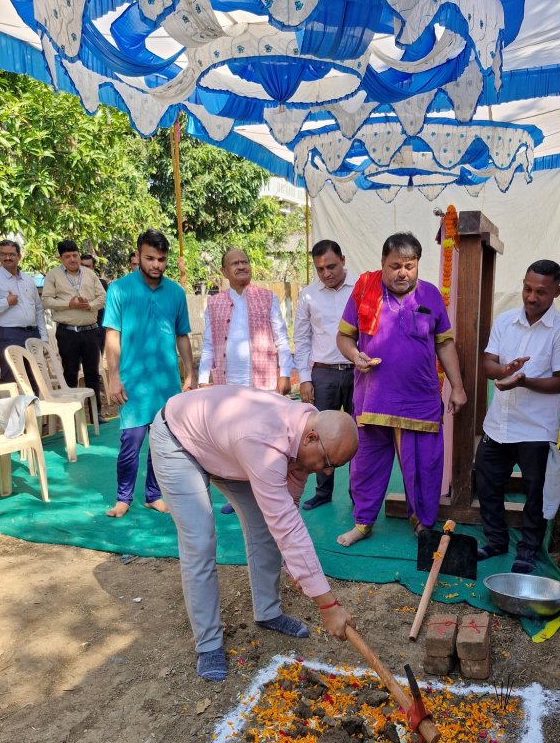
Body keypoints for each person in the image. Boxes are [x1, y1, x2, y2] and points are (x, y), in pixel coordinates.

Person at [149, 386, 358, 682]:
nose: (325, 473)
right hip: (178, 440)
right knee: (200, 539)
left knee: (265, 526)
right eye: (328, 463)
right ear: (312, 438)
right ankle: (208, 644)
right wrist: (328, 604)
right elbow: (286, 524)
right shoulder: (265, 443)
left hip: (225, 447)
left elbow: (289, 508)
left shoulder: (302, 434)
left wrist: (297, 568)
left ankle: (268, 612)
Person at [335, 232, 467, 546]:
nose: (402, 272)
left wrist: (458, 387)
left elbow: (445, 343)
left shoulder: (431, 296)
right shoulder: (364, 291)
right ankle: (363, 522)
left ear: (418, 265)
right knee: (366, 464)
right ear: (382, 263)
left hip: (418, 401)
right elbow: (343, 338)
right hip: (373, 398)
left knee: (424, 466)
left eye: (409, 265)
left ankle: (423, 523)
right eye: (395, 265)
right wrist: (356, 356)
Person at [474, 259, 560, 575]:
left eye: (541, 292)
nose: (531, 297)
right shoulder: (504, 322)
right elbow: (488, 362)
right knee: (487, 483)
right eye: (528, 288)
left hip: (535, 429)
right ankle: (496, 540)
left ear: (556, 291)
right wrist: (504, 370)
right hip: (498, 424)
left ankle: (528, 549)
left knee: (535, 493)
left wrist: (524, 380)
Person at [103, 229, 194, 518]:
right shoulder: (119, 289)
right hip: (133, 382)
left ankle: (153, 495)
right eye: (150, 258)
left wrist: (189, 374)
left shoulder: (176, 293)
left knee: (162, 442)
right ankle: (123, 498)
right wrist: (113, 377)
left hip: (166, 383)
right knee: (131, 442)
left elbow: (182, 336)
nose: (156, 264)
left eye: (162, 259)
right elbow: (112, 336)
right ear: (138, 256)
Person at [294, 239, 356, 511]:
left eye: (331, 266)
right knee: (319, 435)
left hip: (358, 373)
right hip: (323, 374)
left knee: (361, 434)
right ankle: (322, 492)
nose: (326, 273)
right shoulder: (308, 295)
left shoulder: (360, 289)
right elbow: (302, 338)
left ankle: (360, 494)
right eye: (320, 269)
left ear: (343, 259)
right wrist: (305, 378)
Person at [198, 248, 293, 394]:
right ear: (224, 272)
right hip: (226, 386)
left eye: (245, 262)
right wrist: (203, 379)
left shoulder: (268, 298)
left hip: (264, 385)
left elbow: (281, 339)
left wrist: (285, 374)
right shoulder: (214, 303)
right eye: (235, 263)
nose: (241, 266)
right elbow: (208, 345)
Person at [42, 240, 107, 421]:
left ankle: (96, 415)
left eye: (75, 255)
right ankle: (72, 417)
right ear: (61, 258)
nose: (72, 259)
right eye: (67, 256)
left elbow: (102, 297)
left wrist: (89, 305)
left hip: (91, 331)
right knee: (70, 373)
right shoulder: (53, 275)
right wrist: (68, 304)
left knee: (92, 374)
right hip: (67, 332)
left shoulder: (89, 274)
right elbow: (46, 300)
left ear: (79, 255)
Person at [0, 240, 48, 385]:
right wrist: (6, 302)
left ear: (19, 256)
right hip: (9, 335)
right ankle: (9, 408)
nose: (7, 258)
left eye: (11, 254)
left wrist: (44, 338)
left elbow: (38, 310)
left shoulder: (28, 279)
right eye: (3, 254)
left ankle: (34, 407)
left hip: (33, 334)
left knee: (35, 378)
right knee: (10, 377)